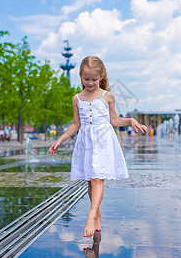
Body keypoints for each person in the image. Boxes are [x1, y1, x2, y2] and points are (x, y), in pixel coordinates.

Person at [48, 56, 148, 238]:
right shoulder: (77, 98)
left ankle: (91, 215)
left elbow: (114, 120)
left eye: (94, 79)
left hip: (103, 142)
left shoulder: (107, 96)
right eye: (86, 79)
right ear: (80, 76)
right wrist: (60, 139)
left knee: (97, 179)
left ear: (101, 76)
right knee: (90, 180)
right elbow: (76, 124)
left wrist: (131, 120)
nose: (90, 82)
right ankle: (98, 213)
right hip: (86, 142)